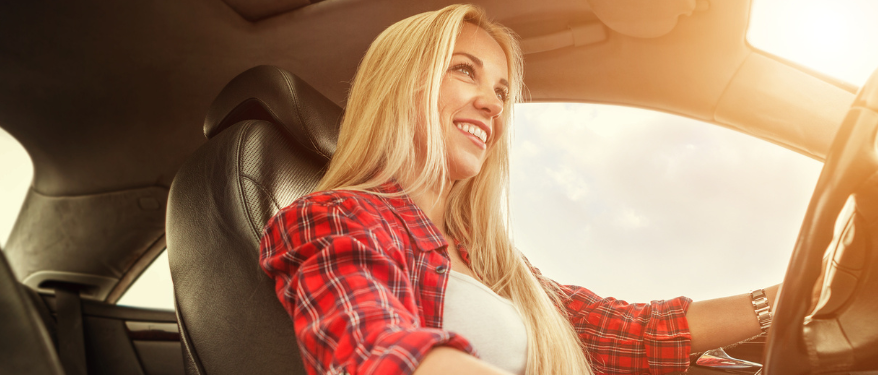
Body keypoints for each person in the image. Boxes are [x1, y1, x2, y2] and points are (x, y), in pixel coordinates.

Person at [260, 4, 781, 375]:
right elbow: (376, 349)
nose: (492, 105)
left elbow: (628, 332)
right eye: (465, 71)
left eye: (502, 92)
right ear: (400, 85)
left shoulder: (493, 261)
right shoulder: (335, 217)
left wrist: (784, 301)